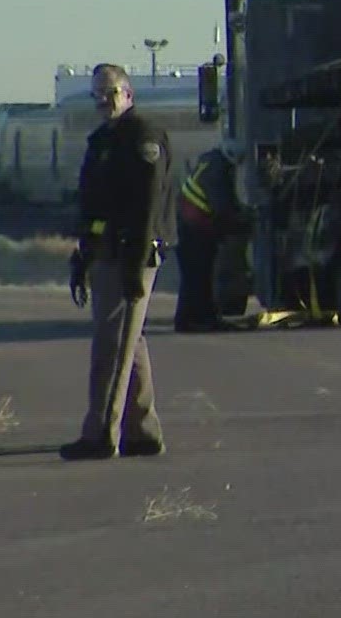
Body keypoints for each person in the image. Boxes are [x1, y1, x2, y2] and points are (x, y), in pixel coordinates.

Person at [60, 63, 175, 461]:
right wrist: (82, 256)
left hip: (131, 253)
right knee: (130, 340)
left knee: (111, 344)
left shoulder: (143, 138)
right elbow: (91, 206)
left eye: (111, 92)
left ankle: (100, 434)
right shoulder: (101, 141)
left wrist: (134, 265)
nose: (103, 101)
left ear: (128, 94)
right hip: (105, 252)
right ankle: (142, 431)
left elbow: (147, 206)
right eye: (97, 94)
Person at [173, 143, 245, 332]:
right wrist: (242, 222)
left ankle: (198, 318)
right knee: (198, 277)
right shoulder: (218, 171)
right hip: (194, 229)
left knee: (196, 277)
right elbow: (222, 208)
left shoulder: (209, 160)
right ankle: (193, 320)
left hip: (189, 227)